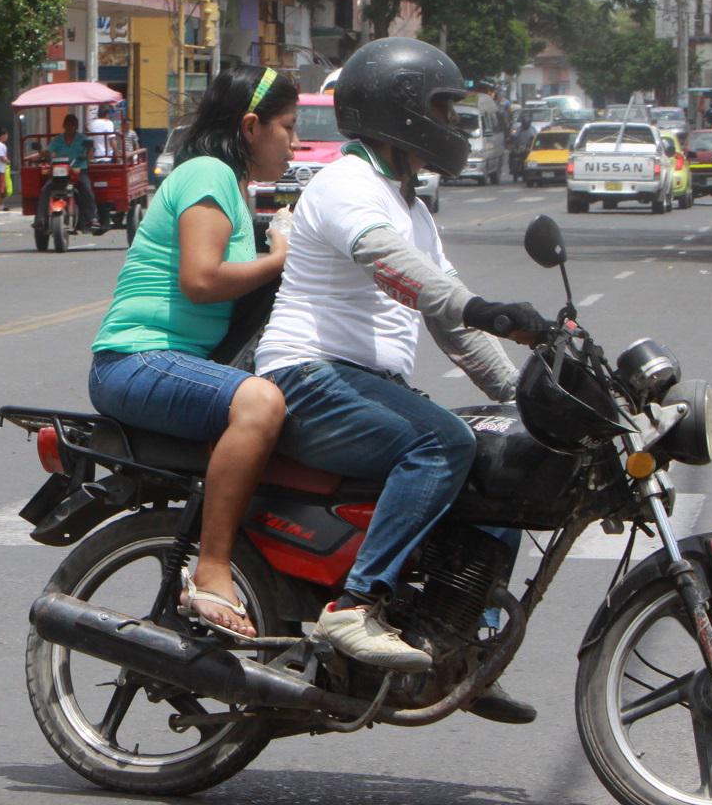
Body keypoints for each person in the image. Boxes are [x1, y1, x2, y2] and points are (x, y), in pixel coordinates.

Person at [254, 38, 548, 721]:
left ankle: (458, 650)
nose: (455, 123)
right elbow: (386, 261)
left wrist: (522, 399)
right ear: (403, 108)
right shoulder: (344, 184)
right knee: (443, 444)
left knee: (502, 472)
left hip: (362, 384)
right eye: (444, 107)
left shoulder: (411, 207)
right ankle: (353, 605)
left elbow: (451, 322)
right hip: (309, 375)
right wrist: (480, 307)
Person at [89, 65, 299, 637]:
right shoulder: (207, 173)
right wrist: (279, 255)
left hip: (171, 363)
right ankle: (210, 569)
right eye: (287, 127)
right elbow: (202, 279)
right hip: (136, 359)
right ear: (252, 126)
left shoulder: (230, 187)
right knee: (260, 405)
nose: (294, 142)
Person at [34, 113, 98, 231]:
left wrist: (88, 153)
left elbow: (90, 153)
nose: (70, 127)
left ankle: (91, 218)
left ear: (76, 126)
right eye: (67, 124)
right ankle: (40, 219)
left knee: (86, 188)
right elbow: (49, 152)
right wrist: (42, 153)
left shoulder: (83, 139)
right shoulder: (58, 139)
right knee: (45, 189)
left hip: (78, 170)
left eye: (72, 125)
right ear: (64, 125)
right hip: (59, 172)